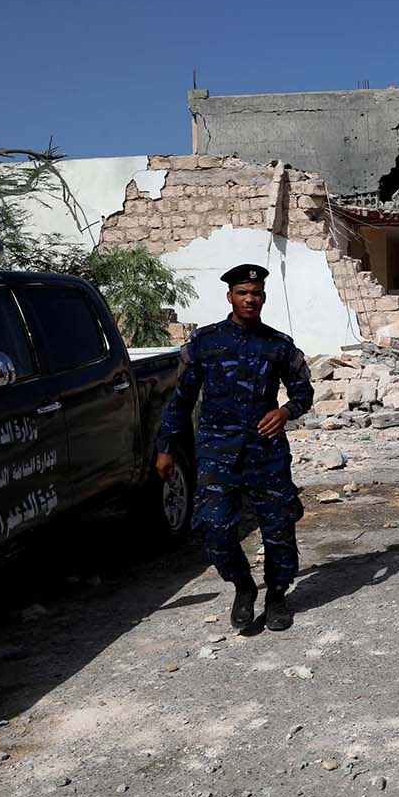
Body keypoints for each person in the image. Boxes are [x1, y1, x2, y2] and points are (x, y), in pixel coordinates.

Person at [156, 264, 314, 632]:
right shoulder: (204, 343)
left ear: (263, 297)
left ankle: (276, 594)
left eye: (256, 293)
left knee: (277, 527)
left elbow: (304, 392)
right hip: (216, 449)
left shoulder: (278, 345)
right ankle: (244, 587)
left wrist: (286, 410)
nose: (250, 299)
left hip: (266, 449)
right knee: (215, 526)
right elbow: (180, 400)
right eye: (243, 293)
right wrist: (166, 447)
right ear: (230, 297)